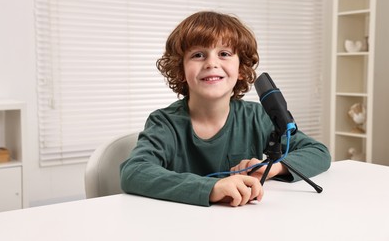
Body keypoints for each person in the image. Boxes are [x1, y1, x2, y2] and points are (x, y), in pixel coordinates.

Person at [120, 11, 331, 207]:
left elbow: (318, 152)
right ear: (181, 70)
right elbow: (134, 172)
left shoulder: (257, 116)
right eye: (198, 55)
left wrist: (274, 167)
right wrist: (211, 188)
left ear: (241, 69)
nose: (211, 63)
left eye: (224, 53)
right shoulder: (165, 123)